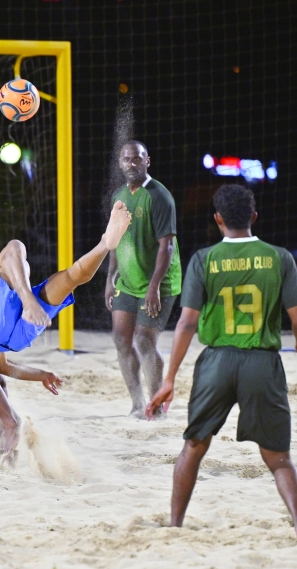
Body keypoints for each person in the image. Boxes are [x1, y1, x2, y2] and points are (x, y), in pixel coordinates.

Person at [146, 184, 297, 542]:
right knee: (279, 459)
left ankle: (175, 525)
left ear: (217, 219)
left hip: (216, 362)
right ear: (254, 217)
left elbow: (186, 323)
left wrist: (169, 379)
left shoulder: (203, 259)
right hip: (262, 363)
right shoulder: (280, 258)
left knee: (194, 447)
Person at [0, 201, 132, 455]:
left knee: (69, 277)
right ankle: (29, 300)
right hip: (11, 319)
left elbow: (3, 367)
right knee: (13, 247)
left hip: (14, 335)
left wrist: (41, 375)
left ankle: (105, 244)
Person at [104, 141, 182, 418]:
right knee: (121, 339)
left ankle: (157, 406)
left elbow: (167, 247)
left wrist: (154, 288)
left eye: (137, 158)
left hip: (159, 283)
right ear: (120, 163)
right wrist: (110, 279)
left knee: (144, 341)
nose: (131, 163)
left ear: (148, 161)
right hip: (128, 281)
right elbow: (115, 241)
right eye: (126, 159)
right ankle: (138, 404)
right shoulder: (119, 196)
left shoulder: (159, 196)